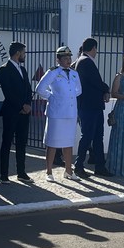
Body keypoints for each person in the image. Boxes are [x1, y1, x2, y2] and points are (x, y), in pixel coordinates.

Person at [35, 46, 82, 181]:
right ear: (58, 60)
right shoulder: (53, 72)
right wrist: (52, 97)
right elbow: (40, 88)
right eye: (65, 58)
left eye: (69, 58)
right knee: (52, 142)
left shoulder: (74, 73)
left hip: (70, 112)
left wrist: (67, 97)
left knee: (68, 142)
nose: (68, 60)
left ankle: (68, 171)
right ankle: (49, 172)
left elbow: (79, 90)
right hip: (56, 112)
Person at [74, 37, 111, 177]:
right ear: (93, 48)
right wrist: (106, 89)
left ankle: (99, 165)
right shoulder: (86, 61)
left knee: (96, 137)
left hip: (91, 105)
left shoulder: (82, 60)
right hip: (89, 106)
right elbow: (96, 82)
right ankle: (79, 165)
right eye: (96, 49)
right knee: (88, 136)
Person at [0, 42, 33, 183]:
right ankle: (4, 174)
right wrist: (21, 106)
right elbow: (8, 92)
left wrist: (28, 104)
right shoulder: (4, 69)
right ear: (18, 53)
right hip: (11, 112)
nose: (25, 55)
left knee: (21, 143)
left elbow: (28, 89)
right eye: (24, 52)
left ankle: (21, 172)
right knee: (7, 142)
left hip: (24, 113)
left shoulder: (22, 69)